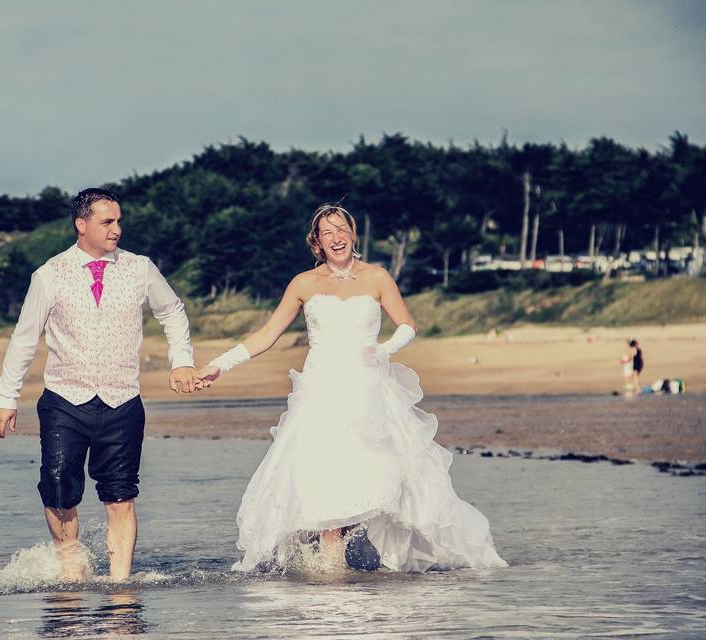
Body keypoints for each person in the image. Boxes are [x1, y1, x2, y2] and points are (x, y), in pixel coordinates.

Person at [196, 204, 507, 573]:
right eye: (327, 232)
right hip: (321, 393)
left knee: (373, 477)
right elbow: (266, 334)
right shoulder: (303, 284)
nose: (336, 237)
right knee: (326, 481)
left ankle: (352, 550)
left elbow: (407, 324)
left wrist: (384, 350)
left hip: (370, 391)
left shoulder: (377, 277)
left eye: (341, 229)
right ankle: (331, 576)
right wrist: (219, 365)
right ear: (317, 242)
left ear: (353, 234)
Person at [0, 187, 198, 582]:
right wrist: (6, 397)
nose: (117, 229)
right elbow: (24, 336)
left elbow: (172, 310)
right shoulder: (49, 274)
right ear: (81, 225)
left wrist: (182, 361)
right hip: (65, 401)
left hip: (123, 401)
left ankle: (120, 586)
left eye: (119, 220)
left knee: (120, 495)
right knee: (57, 487)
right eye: (107, 221)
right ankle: (74, 569)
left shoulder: (140, 268)